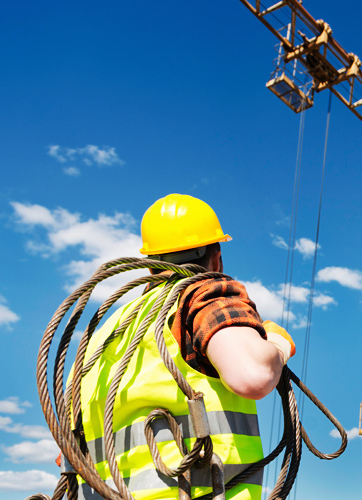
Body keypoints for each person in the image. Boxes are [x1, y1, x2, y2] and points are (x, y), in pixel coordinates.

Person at [72, 193, 294, 500]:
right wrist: (278, 344)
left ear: (150, 266)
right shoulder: (203, 294)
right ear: (215, 256)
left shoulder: (105, 334)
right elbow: (253, 375)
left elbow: (67, 450)